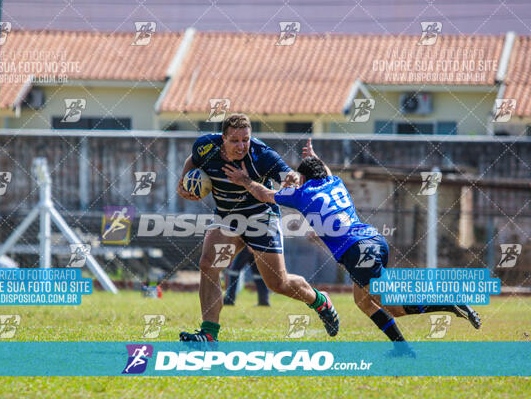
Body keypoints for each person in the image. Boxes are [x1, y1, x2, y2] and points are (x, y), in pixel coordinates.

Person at [224, 138, 481, 354]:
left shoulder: (302, 194)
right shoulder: (336, 182)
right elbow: (324, 170)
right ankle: (402, 348)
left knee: (393, 307)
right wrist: (315, 157)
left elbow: (264, 194)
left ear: (302, 178)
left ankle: (450, 303)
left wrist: (245, 180)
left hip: (357, 252)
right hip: (375, 242)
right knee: (363, 301)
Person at [176, 114, 339, 341]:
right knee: (208, 264)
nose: (241, 146)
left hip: (260, 218)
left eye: (246, 139)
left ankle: (320, 301)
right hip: (227, 216)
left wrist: (291, 178)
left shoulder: (262, 155)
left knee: (278, 283)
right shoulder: (205, 146)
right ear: (223, 138)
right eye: (235, 141)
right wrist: (183, 181)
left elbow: (287, 177)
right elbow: (192, 160)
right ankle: (209, 335)